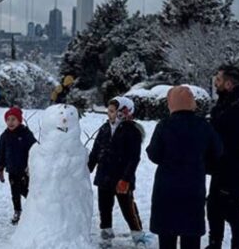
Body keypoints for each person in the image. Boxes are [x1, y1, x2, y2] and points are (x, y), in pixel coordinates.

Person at [147, 86, 223, 249]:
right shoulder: (203, 126)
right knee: (191, 235)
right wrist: (202, 165)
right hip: (193, 187)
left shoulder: (164, 125)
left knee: (167, 237)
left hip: (166, 188)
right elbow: (217, 152)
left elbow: (154, 154)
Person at [88, 96, 152, 248]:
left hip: (122, 178)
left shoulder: (132, 131)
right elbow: (96, 151)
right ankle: (106, 235)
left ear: (123, 112)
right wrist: (87, 169)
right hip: (104, 176)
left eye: (112, 111)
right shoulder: (104, 129)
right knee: (104, 208)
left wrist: (126, 179)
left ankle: (138, 234)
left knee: (128, 208)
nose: (108, 114)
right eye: (108, 111)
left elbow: (133, 158)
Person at [206, 65, 239, 249]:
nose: (215, 84)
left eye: (218, 80)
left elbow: (234, 139)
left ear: (228, 83)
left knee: (233, 210)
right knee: (213, 207)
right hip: (221, 166)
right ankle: (215, 243)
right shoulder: (226, 102)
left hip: (234, 168)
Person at [0, 106, 37, 225]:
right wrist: (0, 168)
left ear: (20, 120)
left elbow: (35, 149)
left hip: (25, 170)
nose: (10, 122)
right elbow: (1, 153)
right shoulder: (4, 136)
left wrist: (33, 164)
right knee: (15, 192)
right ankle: (17, 211)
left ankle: (36, 209)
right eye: (8, 119)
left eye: (13, 119)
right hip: (12, 170)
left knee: (26, 191)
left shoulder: (26, 134)